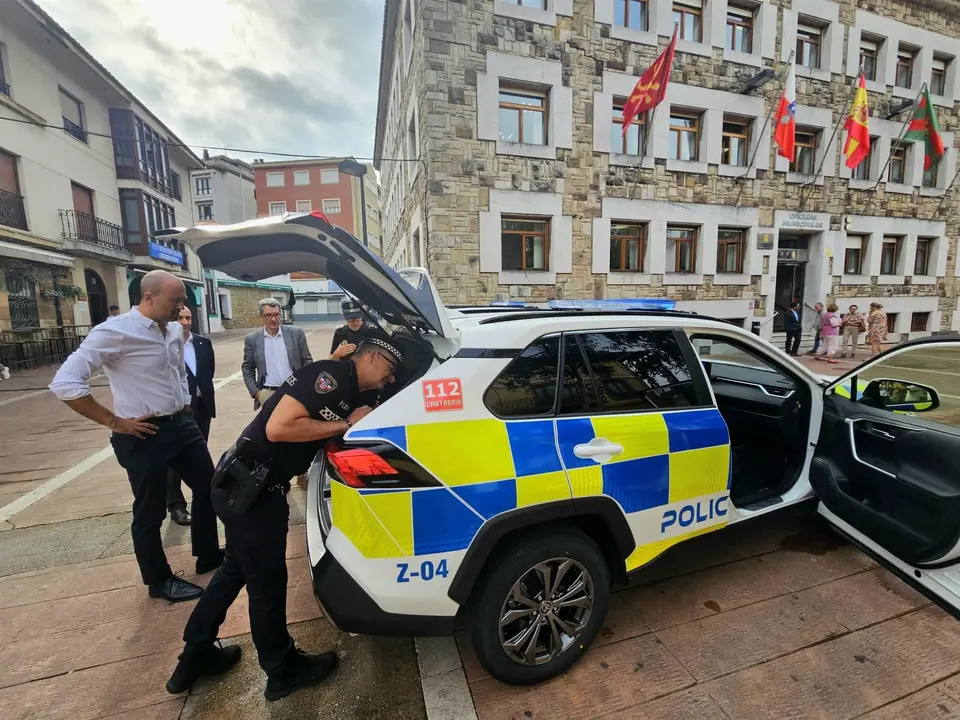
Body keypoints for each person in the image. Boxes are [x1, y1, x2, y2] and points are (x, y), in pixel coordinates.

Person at [166, 338, 402, 701]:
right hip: (251, 491)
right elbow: (279, 428)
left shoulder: (348, 386)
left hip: (244, 486)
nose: (388, 381)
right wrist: (342, 424)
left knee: (233, 572)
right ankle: (282, 671)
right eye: (389, 370)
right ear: (371, 356)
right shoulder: (330, 376)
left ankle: (193, 658)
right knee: (267, 588)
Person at [49, 270, 222, 603]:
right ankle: (159, 581)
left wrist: (184, 405)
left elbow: (176, 373)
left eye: (184, 300)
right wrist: (115, 422)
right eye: (176, 301)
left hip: (181, 426)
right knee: (150, 511)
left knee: (210, 486)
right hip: (143, 432)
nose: (182, 308)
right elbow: (65, 383)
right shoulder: (114, 332)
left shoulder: (172, 330)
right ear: (149, 298)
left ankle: (209, 554)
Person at [166, 307, 217, 527]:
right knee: (175, 458)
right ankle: (176, 505)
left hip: (202, 405)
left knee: (198, 453)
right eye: (180, 318)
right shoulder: (165, 343)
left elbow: (208, 371)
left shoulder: (203, 343)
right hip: (178, 409)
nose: (185, 322)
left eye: (188, 318)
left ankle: (202, 502)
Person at [241, 299, 312, 411]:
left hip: (295, 391)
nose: (274, 319)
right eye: (268, 315)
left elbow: (307, 362)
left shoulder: (296, 333)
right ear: (260, 317)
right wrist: (256, 393)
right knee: (273, 427)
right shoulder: (252, 339)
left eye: (276, 314)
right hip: (268, 394)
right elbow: (247, 368)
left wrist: (304, 386)